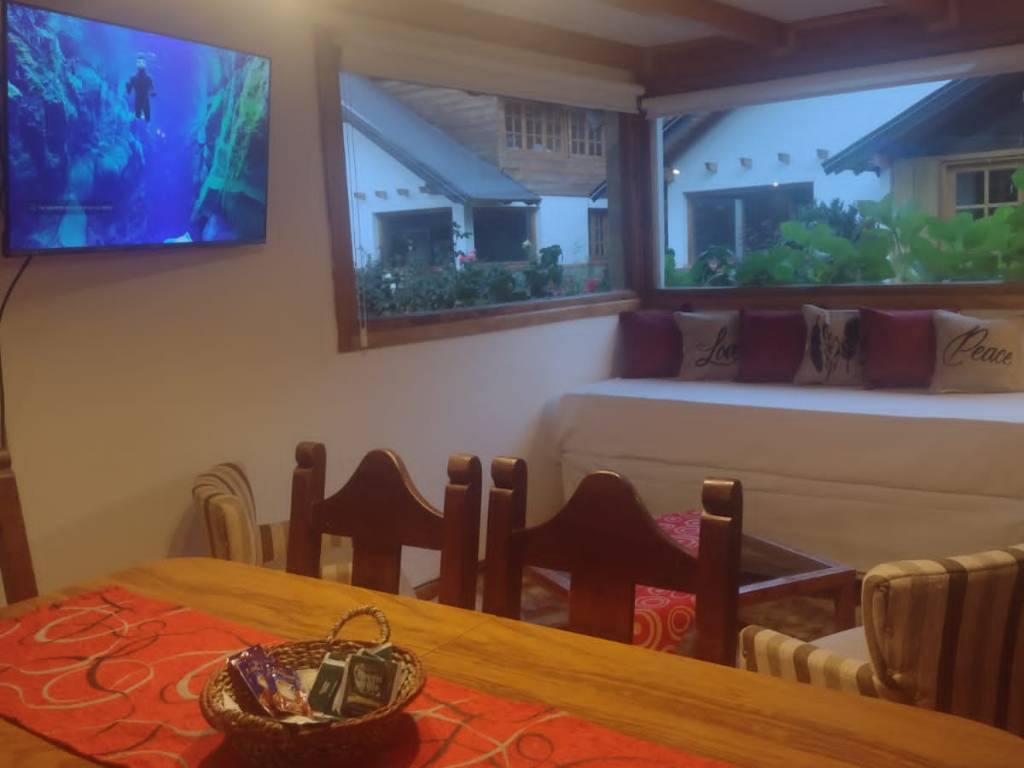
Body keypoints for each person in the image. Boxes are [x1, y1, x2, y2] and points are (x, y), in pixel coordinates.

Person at [126, 58, 155, 122]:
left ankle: (143, 119)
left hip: (145, 101)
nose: (141, 64)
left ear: (145, 64)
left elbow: (152, 89)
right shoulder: (133, 78)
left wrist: (152, 92)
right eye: (139, 62)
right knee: (138, 116)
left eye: (142, 62)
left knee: (146, 118)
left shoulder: (148, 78)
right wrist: (128, 86)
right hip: (138, 101)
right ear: (137, 64)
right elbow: (128, 91)